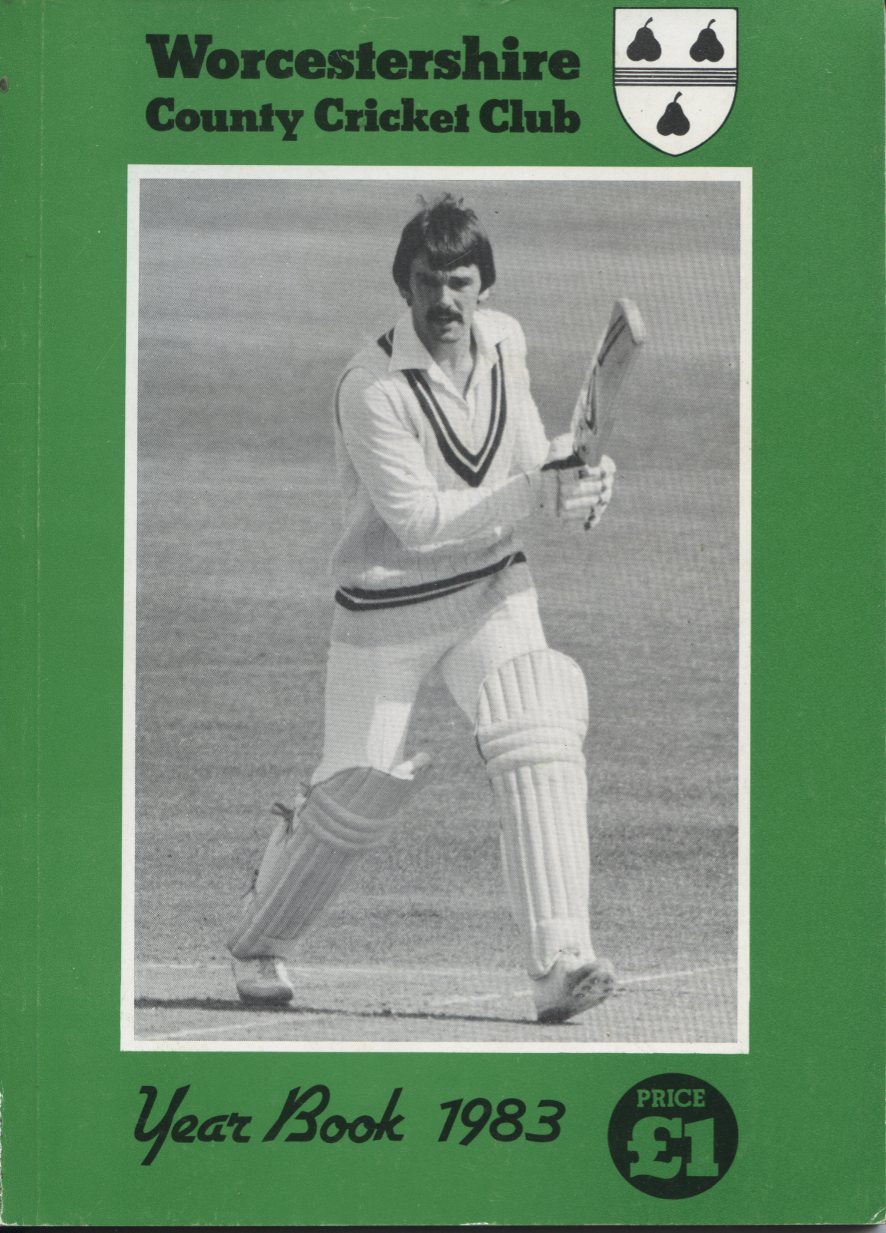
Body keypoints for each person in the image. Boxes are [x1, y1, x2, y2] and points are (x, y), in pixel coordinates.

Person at [227, 194, 617, 1024]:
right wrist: (538, 489)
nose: (444, 299)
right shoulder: (369, 386)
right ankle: (258, 938)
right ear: (404, 286)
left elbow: (531, 456)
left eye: (459, 281)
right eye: (427, 282)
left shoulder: (506, 341)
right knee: (354, 793)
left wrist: (579, 476)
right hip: (385, 608)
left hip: (492, 589)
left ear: (484, 286)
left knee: (540, 725)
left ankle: (560, 961)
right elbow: (417, 520)